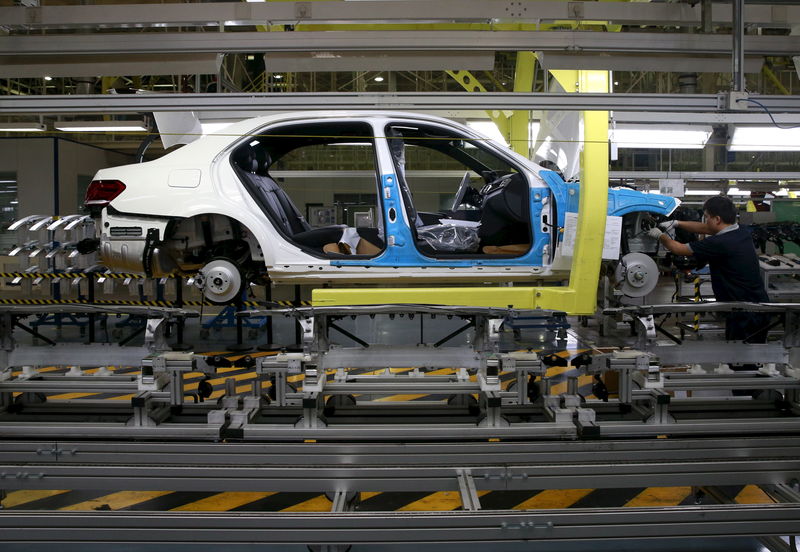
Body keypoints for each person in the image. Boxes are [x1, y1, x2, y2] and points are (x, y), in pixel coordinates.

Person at [648, 195, 770, 344]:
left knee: (743, 357)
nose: (704, 221)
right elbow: (706, 228)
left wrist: (660, 236)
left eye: (706, 217)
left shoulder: (720, 242)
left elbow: (678, 249)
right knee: (746, 354)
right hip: (753, 306)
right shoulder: (740, 231)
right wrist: (677, 223)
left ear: (717, 219)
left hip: (745, 311)